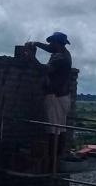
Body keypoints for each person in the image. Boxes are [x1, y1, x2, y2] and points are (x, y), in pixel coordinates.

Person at [25, 32, 72, 170]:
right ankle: (56, 161)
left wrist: (32, 58)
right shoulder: (64, 54)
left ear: (57, 43)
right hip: (62, 96)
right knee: (60, 129)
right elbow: (49, 49)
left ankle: (52, 163)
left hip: (55, 96)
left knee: (53, 131)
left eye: (52, 43)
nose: (50, 45)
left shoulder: (59, 58)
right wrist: (36, 44)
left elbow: (45, 70)